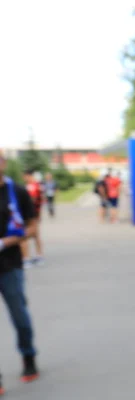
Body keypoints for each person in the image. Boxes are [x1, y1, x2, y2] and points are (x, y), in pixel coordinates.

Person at [0, 154, 41, 395]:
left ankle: (28, 356)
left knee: (20, 317)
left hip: (10, 265)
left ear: (3, 163)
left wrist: (5, 243)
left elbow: (32, 226)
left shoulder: (17, 192)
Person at [21, 171, 43, 267]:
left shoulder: (31, 186)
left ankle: (27, 258)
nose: (23, 178)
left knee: (23, 235)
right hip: (35, 213)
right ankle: (39, 256)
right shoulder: (37, 185)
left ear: (28, 175)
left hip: (29, 215)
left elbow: (31, 199)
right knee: (36, 235)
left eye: (24, 176)